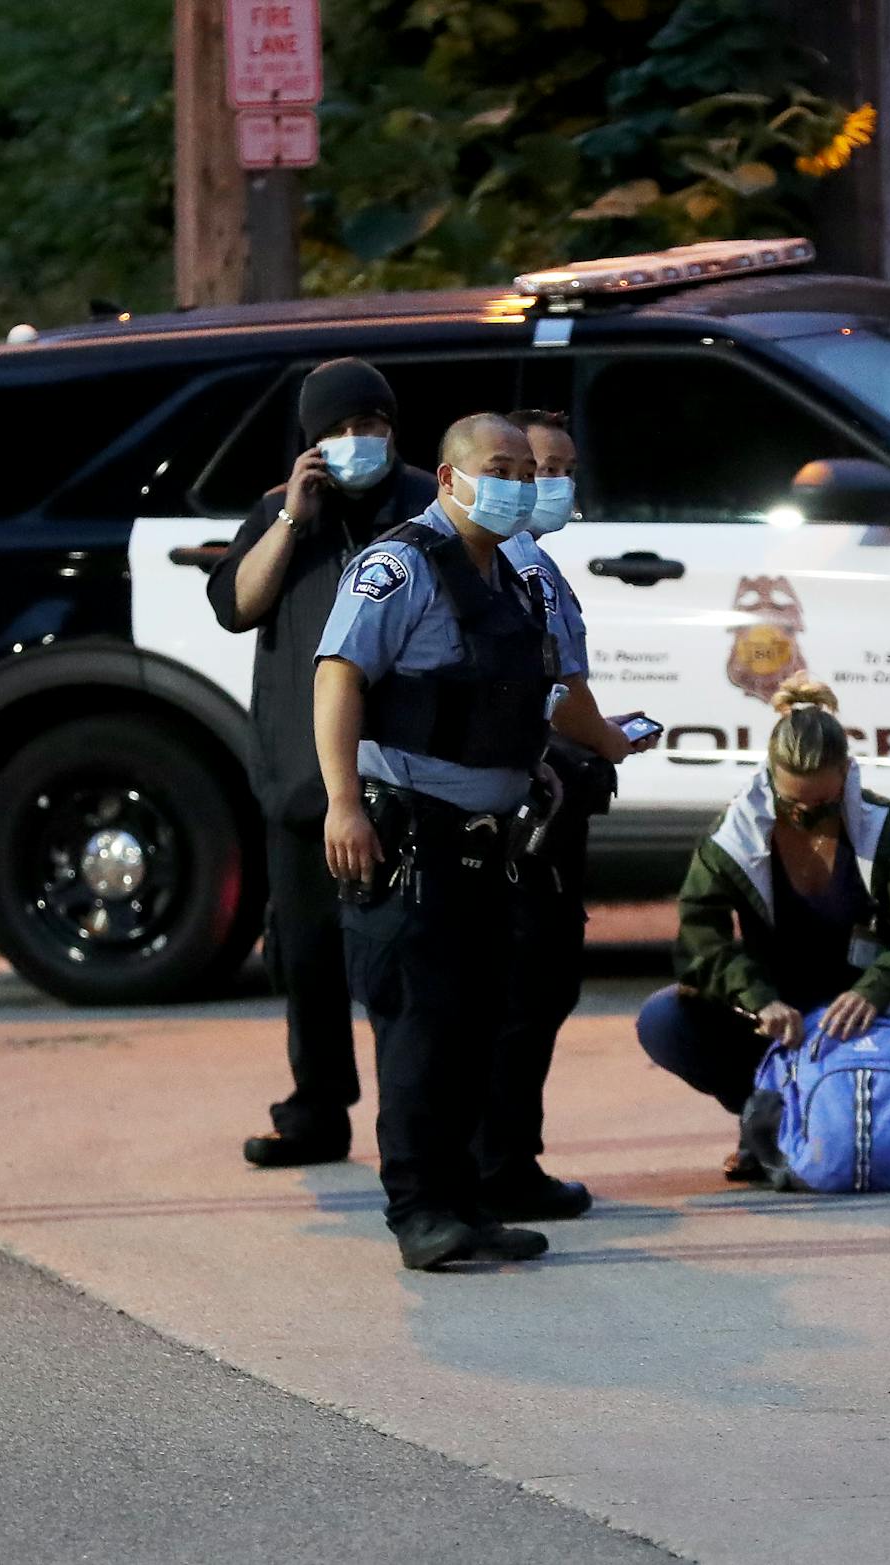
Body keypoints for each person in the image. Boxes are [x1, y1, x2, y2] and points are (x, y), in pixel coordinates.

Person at [314, 411, 558, 1270]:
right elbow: (339, 675)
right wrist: (343, 801)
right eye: (501, 467)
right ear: (450, 478)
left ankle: (465, 1202)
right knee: (419, 1031)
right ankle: (419, 1211)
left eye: (527, 470)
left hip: (489, 846)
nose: (520, 484)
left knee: (475, 1026)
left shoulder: (513, 578)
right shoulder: (398, 565)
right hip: (411, 836)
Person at [208, 358, 437, 1170]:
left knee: (402, 964)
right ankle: (316, 1110)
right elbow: (236, 605)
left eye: (368, 426)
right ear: (310, 443)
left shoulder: (428, 508)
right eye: (337, 431)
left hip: (406, 778)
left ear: (392, 428)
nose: (354, 442)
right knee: (305, 955)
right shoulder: (281, 513)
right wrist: (292, 519)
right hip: (302, 777)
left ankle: (415, 1128)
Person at [636, 677, 890, 1176]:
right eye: (792, 804)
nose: (807, 815)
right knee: (663, 1020)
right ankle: (763, 1118)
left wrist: (876, 990)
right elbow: (699, 942)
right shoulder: (732, 839)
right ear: (770, 777)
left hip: (870, 1012)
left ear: (847, 775)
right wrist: (757, 999)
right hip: (778, 1016)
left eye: (823, 805)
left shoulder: (883, 825)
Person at [468, 408, 658, 1222]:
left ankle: (496, 1158)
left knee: (520, 992)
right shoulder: (517, 569)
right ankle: (503, 1165)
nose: (552, 485)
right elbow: (563, 693)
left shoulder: (501, 560)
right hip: (525, 816)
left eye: (561, 468)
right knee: (528, 989)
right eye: (534, 468)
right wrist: (610, 742)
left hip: (512, 805)